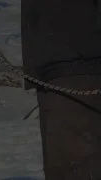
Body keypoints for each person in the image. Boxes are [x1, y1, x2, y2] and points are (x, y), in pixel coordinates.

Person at [22, 0, 101, 179]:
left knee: (59, 160)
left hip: (51, 73)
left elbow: (28, 21)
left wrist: (32, 76)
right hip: (70, 70)